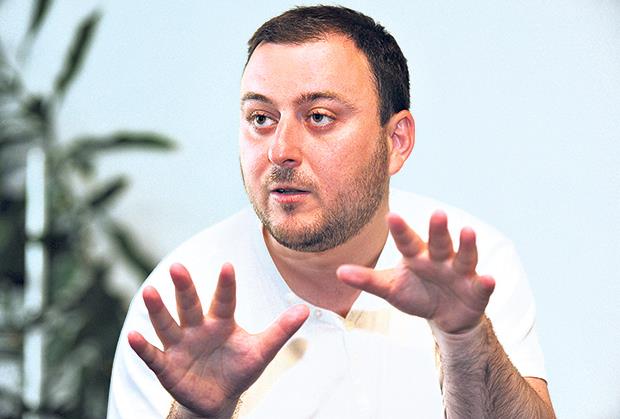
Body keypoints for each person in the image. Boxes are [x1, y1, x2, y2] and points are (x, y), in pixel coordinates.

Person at [107, 5, 555, 419]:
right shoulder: (179, 303)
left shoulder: (469, 263)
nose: (281, 150)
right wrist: (199, 413)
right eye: (261, 118)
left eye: (319, 117)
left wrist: (464, 338)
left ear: (396, 140)